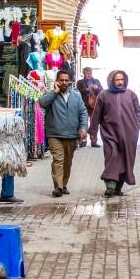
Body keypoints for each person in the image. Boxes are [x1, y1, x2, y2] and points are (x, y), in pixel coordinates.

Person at [94, 69, 140, 196]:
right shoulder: (103, 95)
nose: (120, 82)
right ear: (111, 81)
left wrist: (137, 125)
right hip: (109, 133)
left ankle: (118, 187)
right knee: (112, 157)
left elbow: (137, 111)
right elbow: (96, 114)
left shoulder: (131, 94)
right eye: (117, 80)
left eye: (122, 79)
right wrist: (93, 131)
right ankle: (110, 186)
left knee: (125, 159)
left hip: (129, 133)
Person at [42, 69, 88, 198]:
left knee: (67, 162)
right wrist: (55, 92)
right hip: (54, 134)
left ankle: (64, 184)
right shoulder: (51, 95)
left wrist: (83, 127)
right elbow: (42, 103)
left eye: (66, 80)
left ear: (70, 82)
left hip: (72, 135)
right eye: (61, 80)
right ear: (57, 81)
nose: (63, 82)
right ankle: (58, 187)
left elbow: (83, 112)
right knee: (58, 160)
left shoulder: (76, 96)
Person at [78, 67, 103, 148]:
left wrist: (97, 88)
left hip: (94, 105)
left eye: (90, 73)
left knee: (94, 123)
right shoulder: (80, 82)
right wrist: (87, 89)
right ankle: (83, 141)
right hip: (84, 105)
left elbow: (102, 92)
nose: (89, 75)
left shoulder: (96, 81)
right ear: (84, 74)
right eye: (87, 74)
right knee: (83, 123)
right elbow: (78, 92)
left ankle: (94, 141)